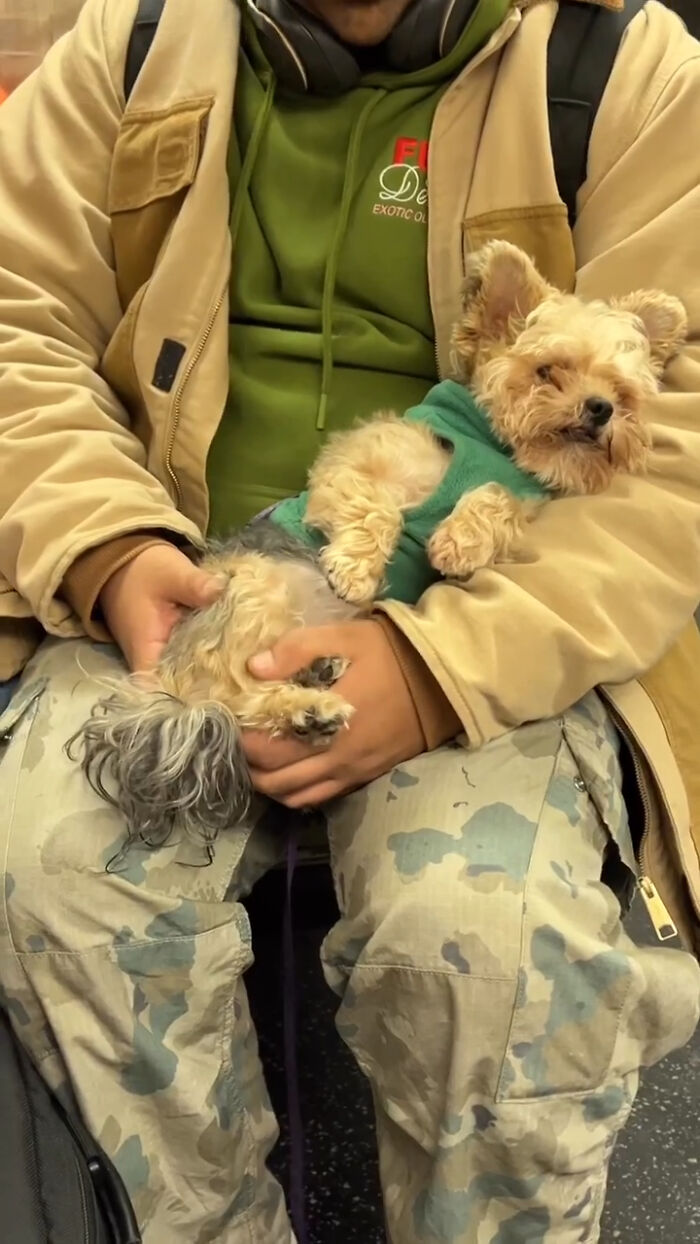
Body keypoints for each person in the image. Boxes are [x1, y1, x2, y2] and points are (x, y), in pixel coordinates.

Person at [0, 0, 699, 1240]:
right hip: (173, 565)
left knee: (489, 948)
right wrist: (107, 541)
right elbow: (14, 324)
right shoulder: (125, 45)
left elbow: (679, 457)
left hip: (502, 603)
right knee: (52, 884)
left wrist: (438, 669)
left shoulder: (634, 74)